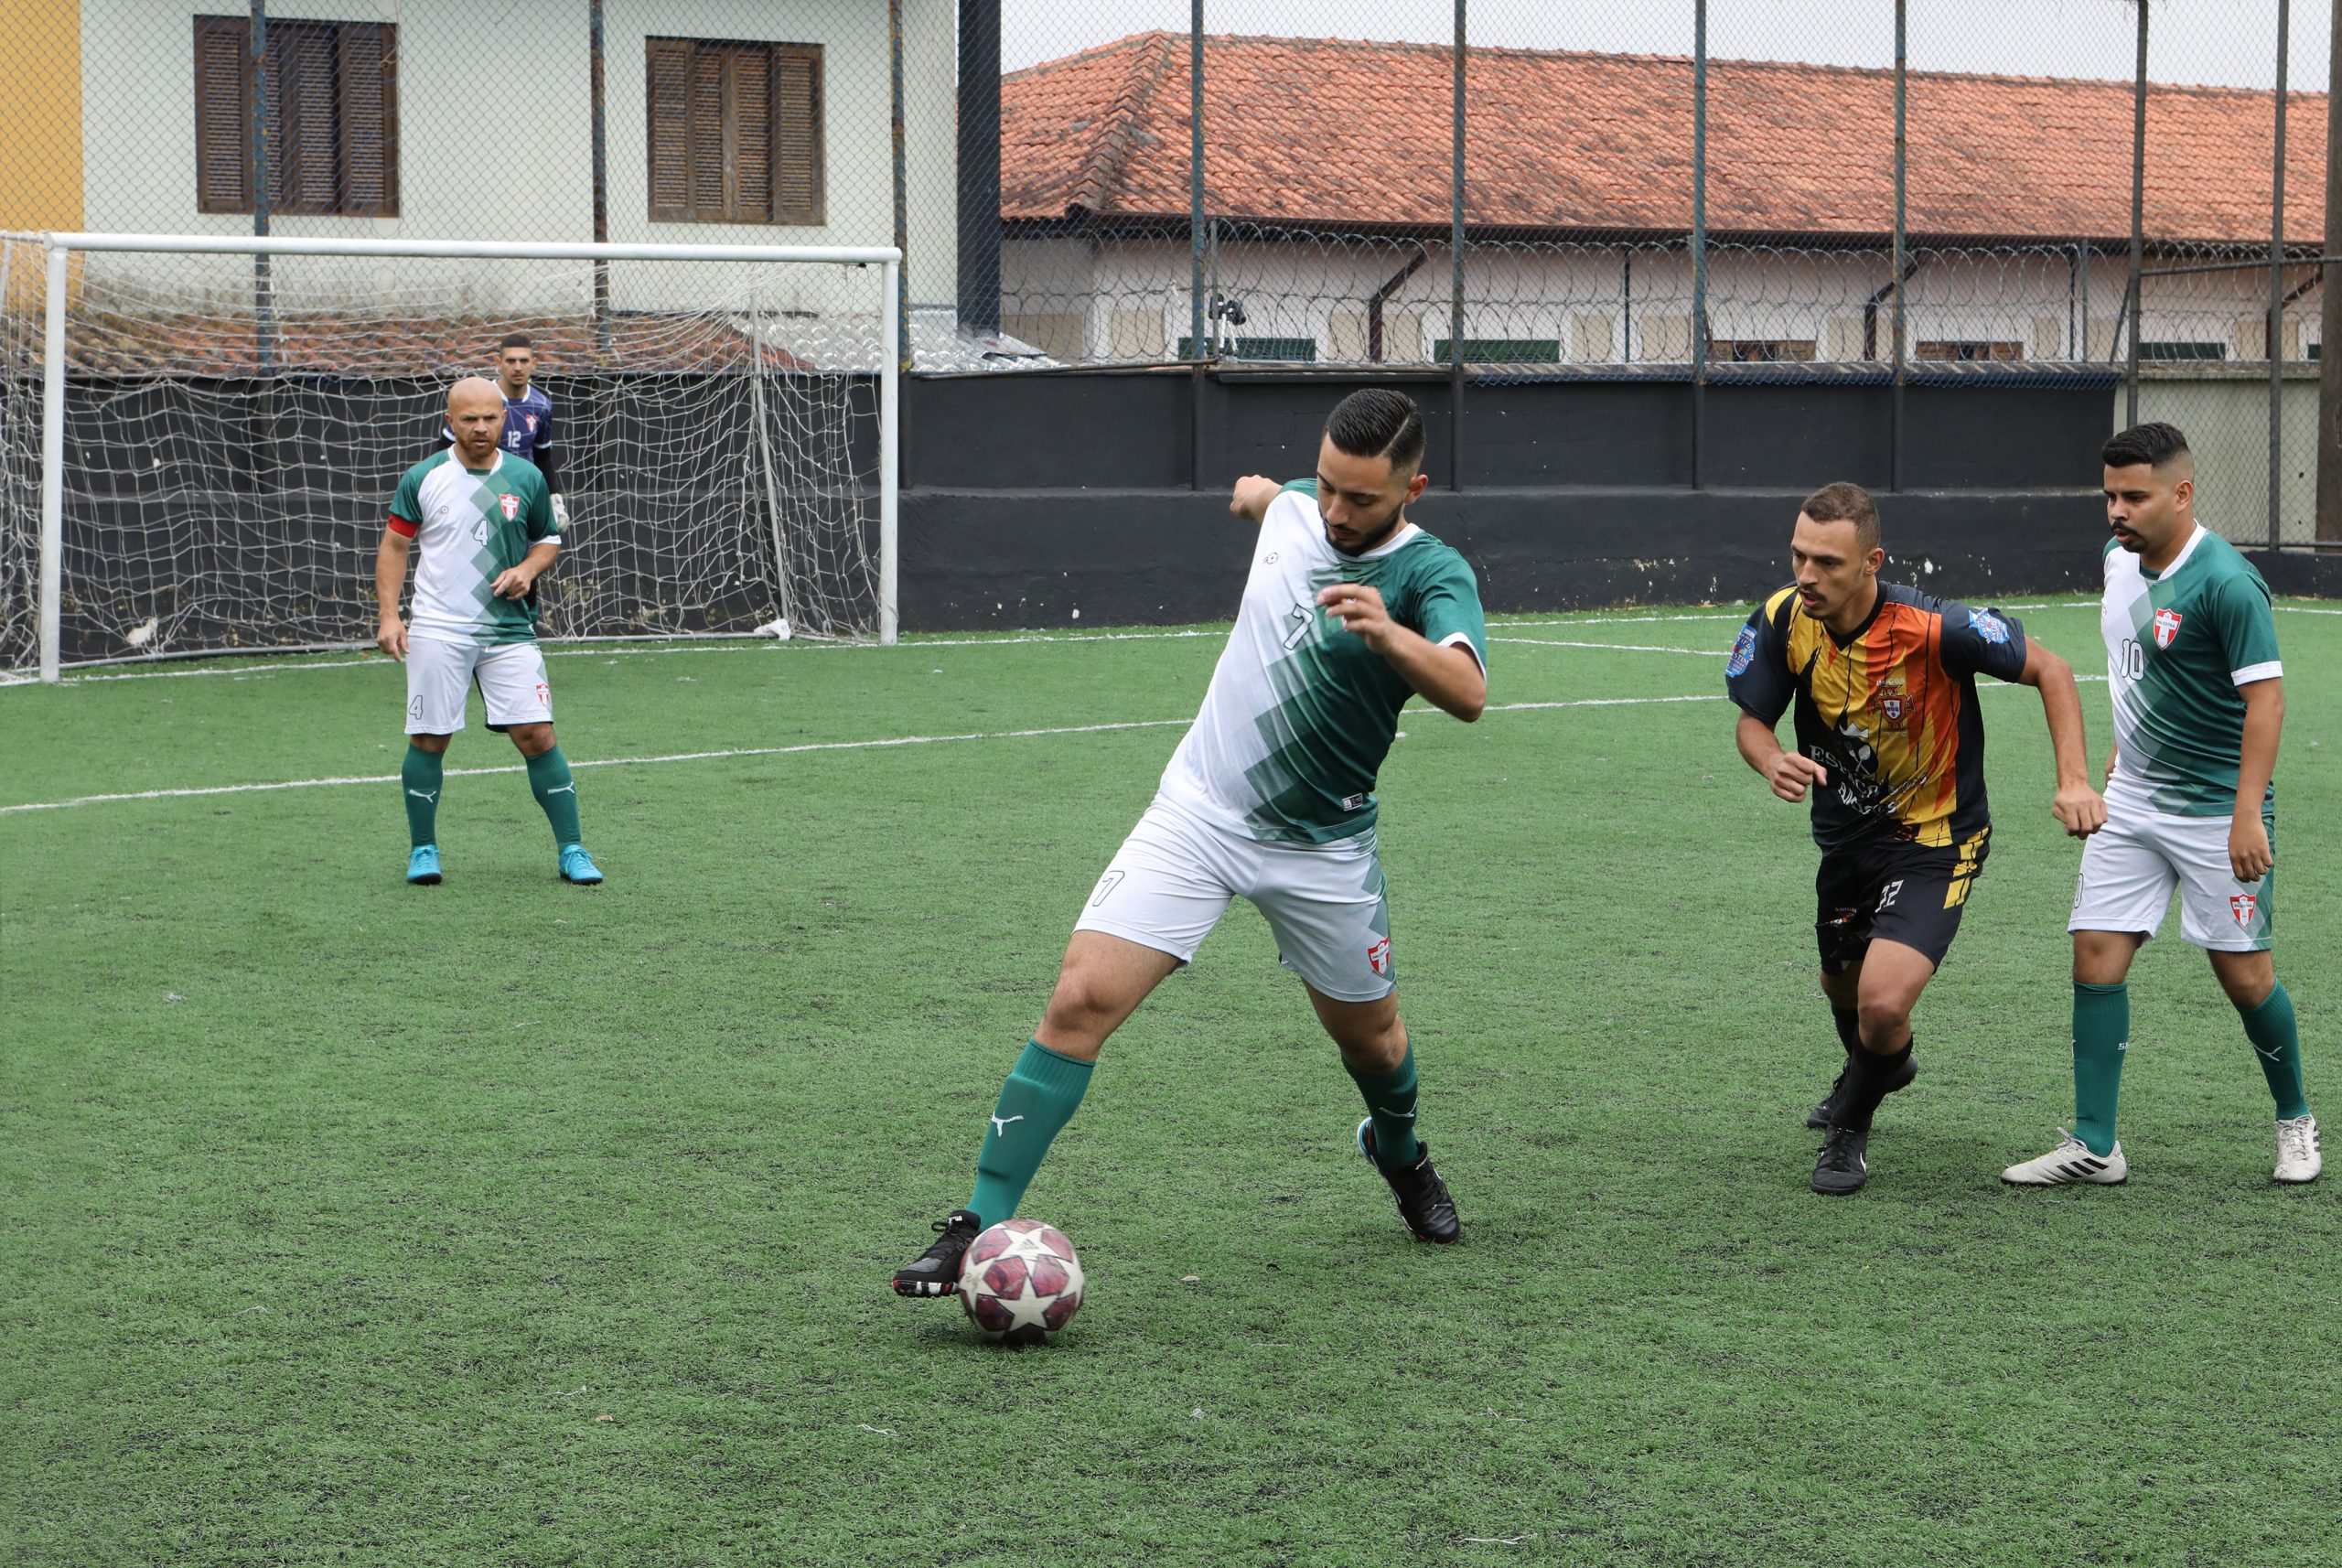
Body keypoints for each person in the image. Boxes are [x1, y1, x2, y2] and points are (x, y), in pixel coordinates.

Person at [891, 388, 1488, 1296]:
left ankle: (1399, 1153)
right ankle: (974, 1220)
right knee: (1079, 999)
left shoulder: (1430, 572)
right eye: (1326, 485)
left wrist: (1388, 633)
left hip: (1321, 847)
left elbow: (1469, 691)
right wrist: (1256, 494)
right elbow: (1272, 501)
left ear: (1415, 487)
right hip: (1198, 816)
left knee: (1373, 1044)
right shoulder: (1297, 508)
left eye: (1361, 498)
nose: (1335, 511)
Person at [1727, 481, 2103, 1196]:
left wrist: (2075, 781)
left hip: (1937, 841)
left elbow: (2051, 669)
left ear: (1872, 561)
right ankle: (1879, 1065)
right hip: (1845, 844)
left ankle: (1850, 1125)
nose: (1807, 576)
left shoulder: (1937, 627)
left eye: (1828, 563)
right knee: (1840, 984)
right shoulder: (1782, 618)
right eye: (1799, 557)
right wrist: (1770, 756)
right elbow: (1752, 719)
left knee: (1883, 1002)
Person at [2004, 422, 2318, 1187]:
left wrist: (2248, 813)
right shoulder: (2118, 561)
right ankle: (2095, 1144)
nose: (2118, 510)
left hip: (2217, 809)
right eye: (2110, 495)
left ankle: (2296, 1121)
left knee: (2244, 977)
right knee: (2096, 956)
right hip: (2133, 801)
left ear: (2182, 493)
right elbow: (2135, 664)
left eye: (2135, 496)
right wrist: (2125, 744)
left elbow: (2266, 701)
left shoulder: (2228, 582)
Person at [378, 376, 603, 887]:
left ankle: (572, 849)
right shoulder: (423, 477)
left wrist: (528, 569)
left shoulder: (526, 477)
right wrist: (390, 616)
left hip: (508, 629)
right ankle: (423, 850)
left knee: (537, 734)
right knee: (429, 738)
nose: (481, 428)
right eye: (469, 419)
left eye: (490, 417)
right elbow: (394, 547)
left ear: (505, 418)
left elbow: (548, 540)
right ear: (449, 421)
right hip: (438, 628)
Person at [440, 333, 568, 536]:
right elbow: (443, 448)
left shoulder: (542, 405)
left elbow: (543, 456)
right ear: (498, 363)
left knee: (525, 557)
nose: (517, 367)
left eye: (523, 360)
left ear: (534, 363)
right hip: (478, 488)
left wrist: (554, 496)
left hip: (521, 492)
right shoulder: (479, 396)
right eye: (511, 361)